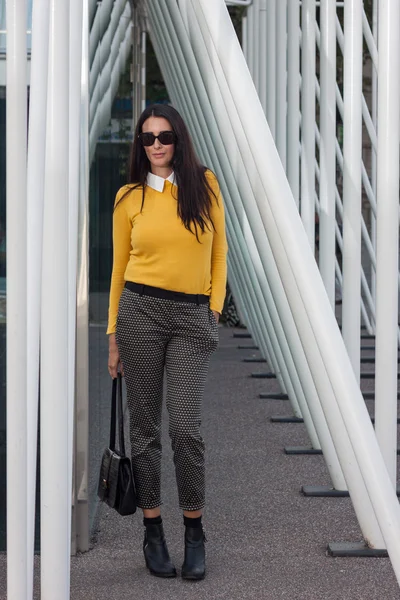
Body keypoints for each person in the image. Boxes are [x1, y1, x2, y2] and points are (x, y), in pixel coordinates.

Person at [107, 103, 228, 580]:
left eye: (164, 136)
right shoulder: (128, 198)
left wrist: (213, 312)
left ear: (179, 138)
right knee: (145, 431)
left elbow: (219, 255)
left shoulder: (205, 185)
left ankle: (194, 532)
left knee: (185, 428)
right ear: (140, 146)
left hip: (191, 317)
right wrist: (113, 338)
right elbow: (118, 270)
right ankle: (152, 530)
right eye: (147, 138)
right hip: (139, 312)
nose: (156, 145)